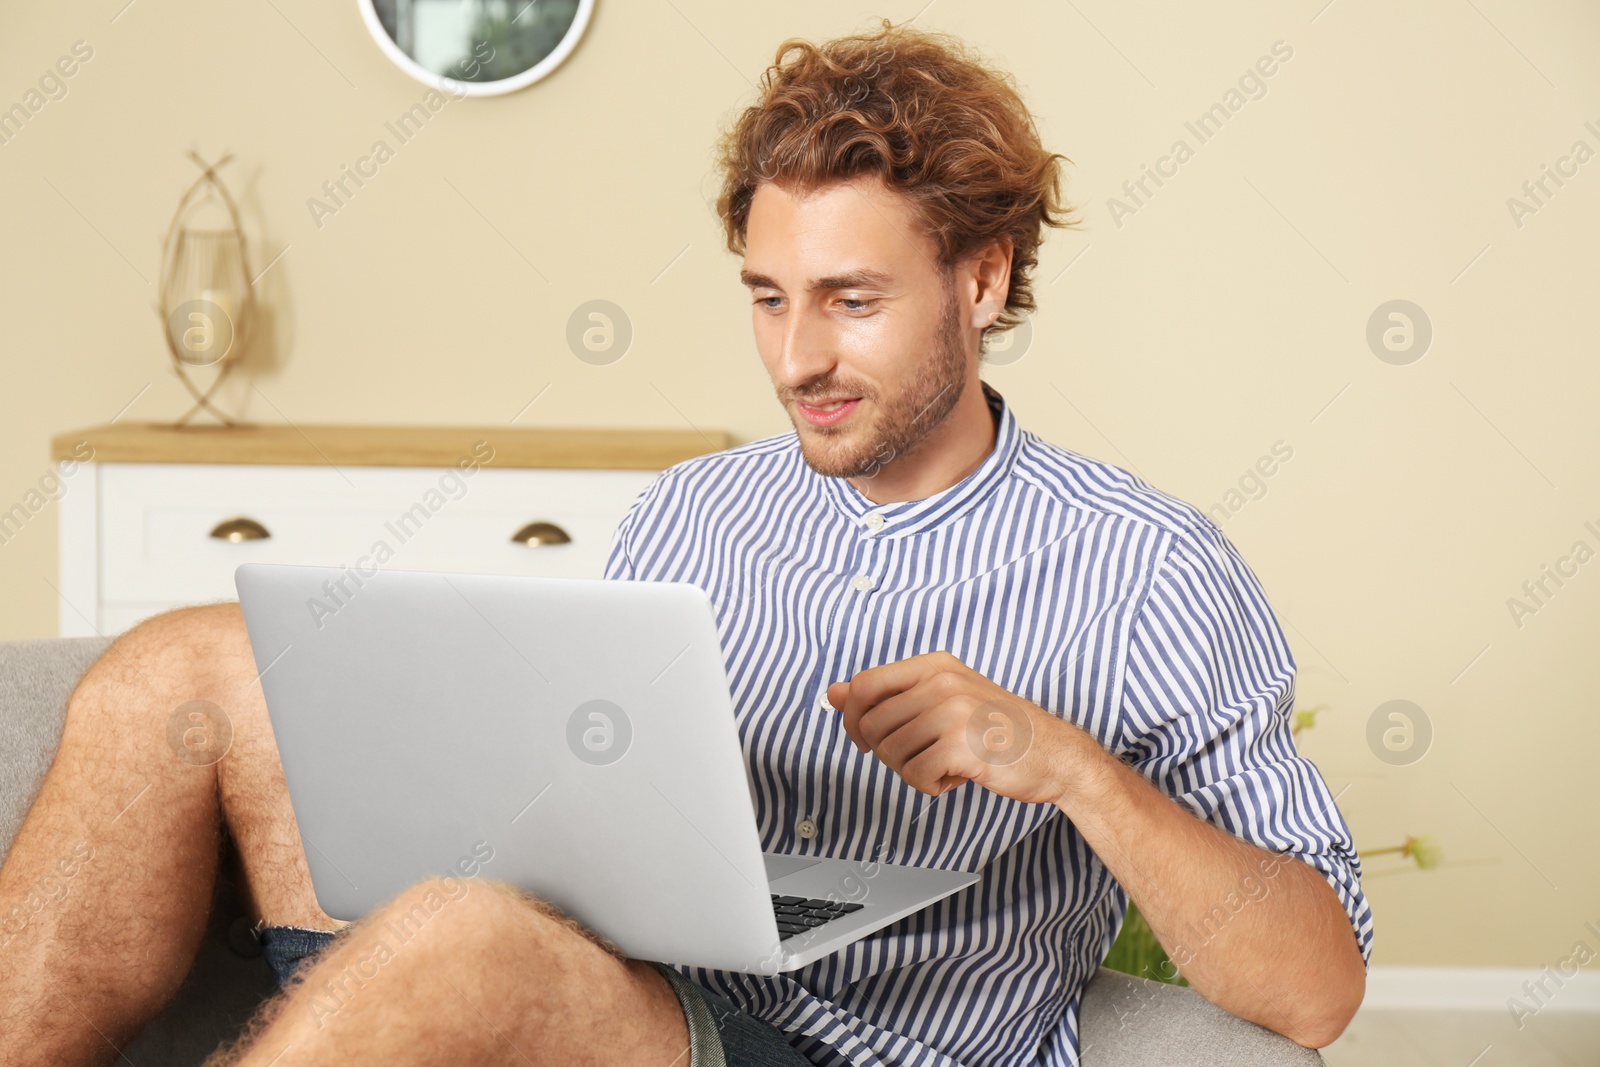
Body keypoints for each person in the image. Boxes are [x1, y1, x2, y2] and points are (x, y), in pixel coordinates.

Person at [0, 19, 1371, 1067]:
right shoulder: (695, 513)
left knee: (456, 934)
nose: (798, 357)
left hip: (840, 1048)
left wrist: (1065, 766)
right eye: (768, 298)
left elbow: (1319, 987)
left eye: (850, 300)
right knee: (181, 664)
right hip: (626, 984)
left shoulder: (1151, 569)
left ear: (985, 277)